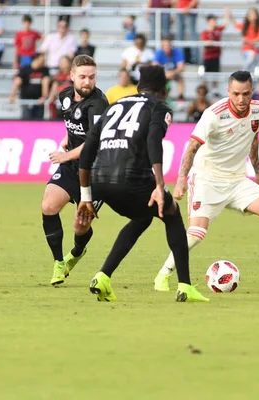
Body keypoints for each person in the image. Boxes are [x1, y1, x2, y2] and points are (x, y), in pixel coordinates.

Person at [153, 71, 259, 291]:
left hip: (237, 181)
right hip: (207, 180)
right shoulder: (213, 114)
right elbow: (191, 147)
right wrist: (181, 180)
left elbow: (254, 137)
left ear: (252, 91)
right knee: (197, 234)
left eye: (246, 93)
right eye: (236, 94)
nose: (241, 99)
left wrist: (258, 172)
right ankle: (163, 274)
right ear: (229, 92)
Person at [77, 65, 209, 303]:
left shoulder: (115, 105)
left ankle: (103, 276)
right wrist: (159, 186)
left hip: (100, 182)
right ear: (164, 90)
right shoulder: (159, 106)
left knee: (142, 217)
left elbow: (87, 152)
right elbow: (153, 142)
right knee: (170, 211)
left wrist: (86, 197)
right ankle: (185, 286)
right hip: (132, 178)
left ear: (138, 87)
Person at [40, 55, 109, 286]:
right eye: (82, 77)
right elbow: (75, 127)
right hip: (71, 166)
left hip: (95, 171)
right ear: (72, 76)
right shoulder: (64, 96)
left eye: (92, 77)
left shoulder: (99, 104)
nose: (87, 82)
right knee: (48, 206)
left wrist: (65, 154)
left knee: (80, 226)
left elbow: (95, 141)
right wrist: (66, 140)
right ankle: (58, 263)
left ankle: (77, 252)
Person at [9, 53, 51, 120]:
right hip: (26, 99)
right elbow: (17, 81)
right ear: (36, 59)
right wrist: (12, 95)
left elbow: (45, 83)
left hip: (38, 100)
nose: (43, 62)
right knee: (26, 119)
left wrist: (44, 97)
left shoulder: (44, 70)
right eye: (42, 60)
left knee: (39, 121)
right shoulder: (25, 69)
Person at [200, 10, 230, 93]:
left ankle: (215, 90)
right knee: (206, 74)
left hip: (216, 56)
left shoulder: (217, 30)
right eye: (213, 21)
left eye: (215, 21)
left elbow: (225, 24)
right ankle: (204, 89)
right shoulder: (205, 32)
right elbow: (204, 42)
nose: (214, 22)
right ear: (208, 22)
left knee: (215, 73)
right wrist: (211, 43)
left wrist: (227, 13)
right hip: (207, 57)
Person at [153, 36, 185, 101]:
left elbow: (181, 67)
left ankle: (181, 98)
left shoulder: (177, 52)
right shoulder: (159, 53)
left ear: (171, 45)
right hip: (163, 74)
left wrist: (172, 73)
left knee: (180, 78)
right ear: (162, 46)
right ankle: (159, 98)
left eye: (168, 45)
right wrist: (165, 73)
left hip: (174, 74)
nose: (167, 47)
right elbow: (155, 65)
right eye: (165, 45)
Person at [232, 8, 259, 73]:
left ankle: (253, 79)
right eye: (250, 14)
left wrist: (250, 42)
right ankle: (243, 73)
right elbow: (235, 24)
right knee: (251, 56)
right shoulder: (245, 25)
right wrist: (229, 15)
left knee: (256, 68)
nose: (251, 15)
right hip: (247, 49)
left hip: (257, 50)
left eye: (253, 14)